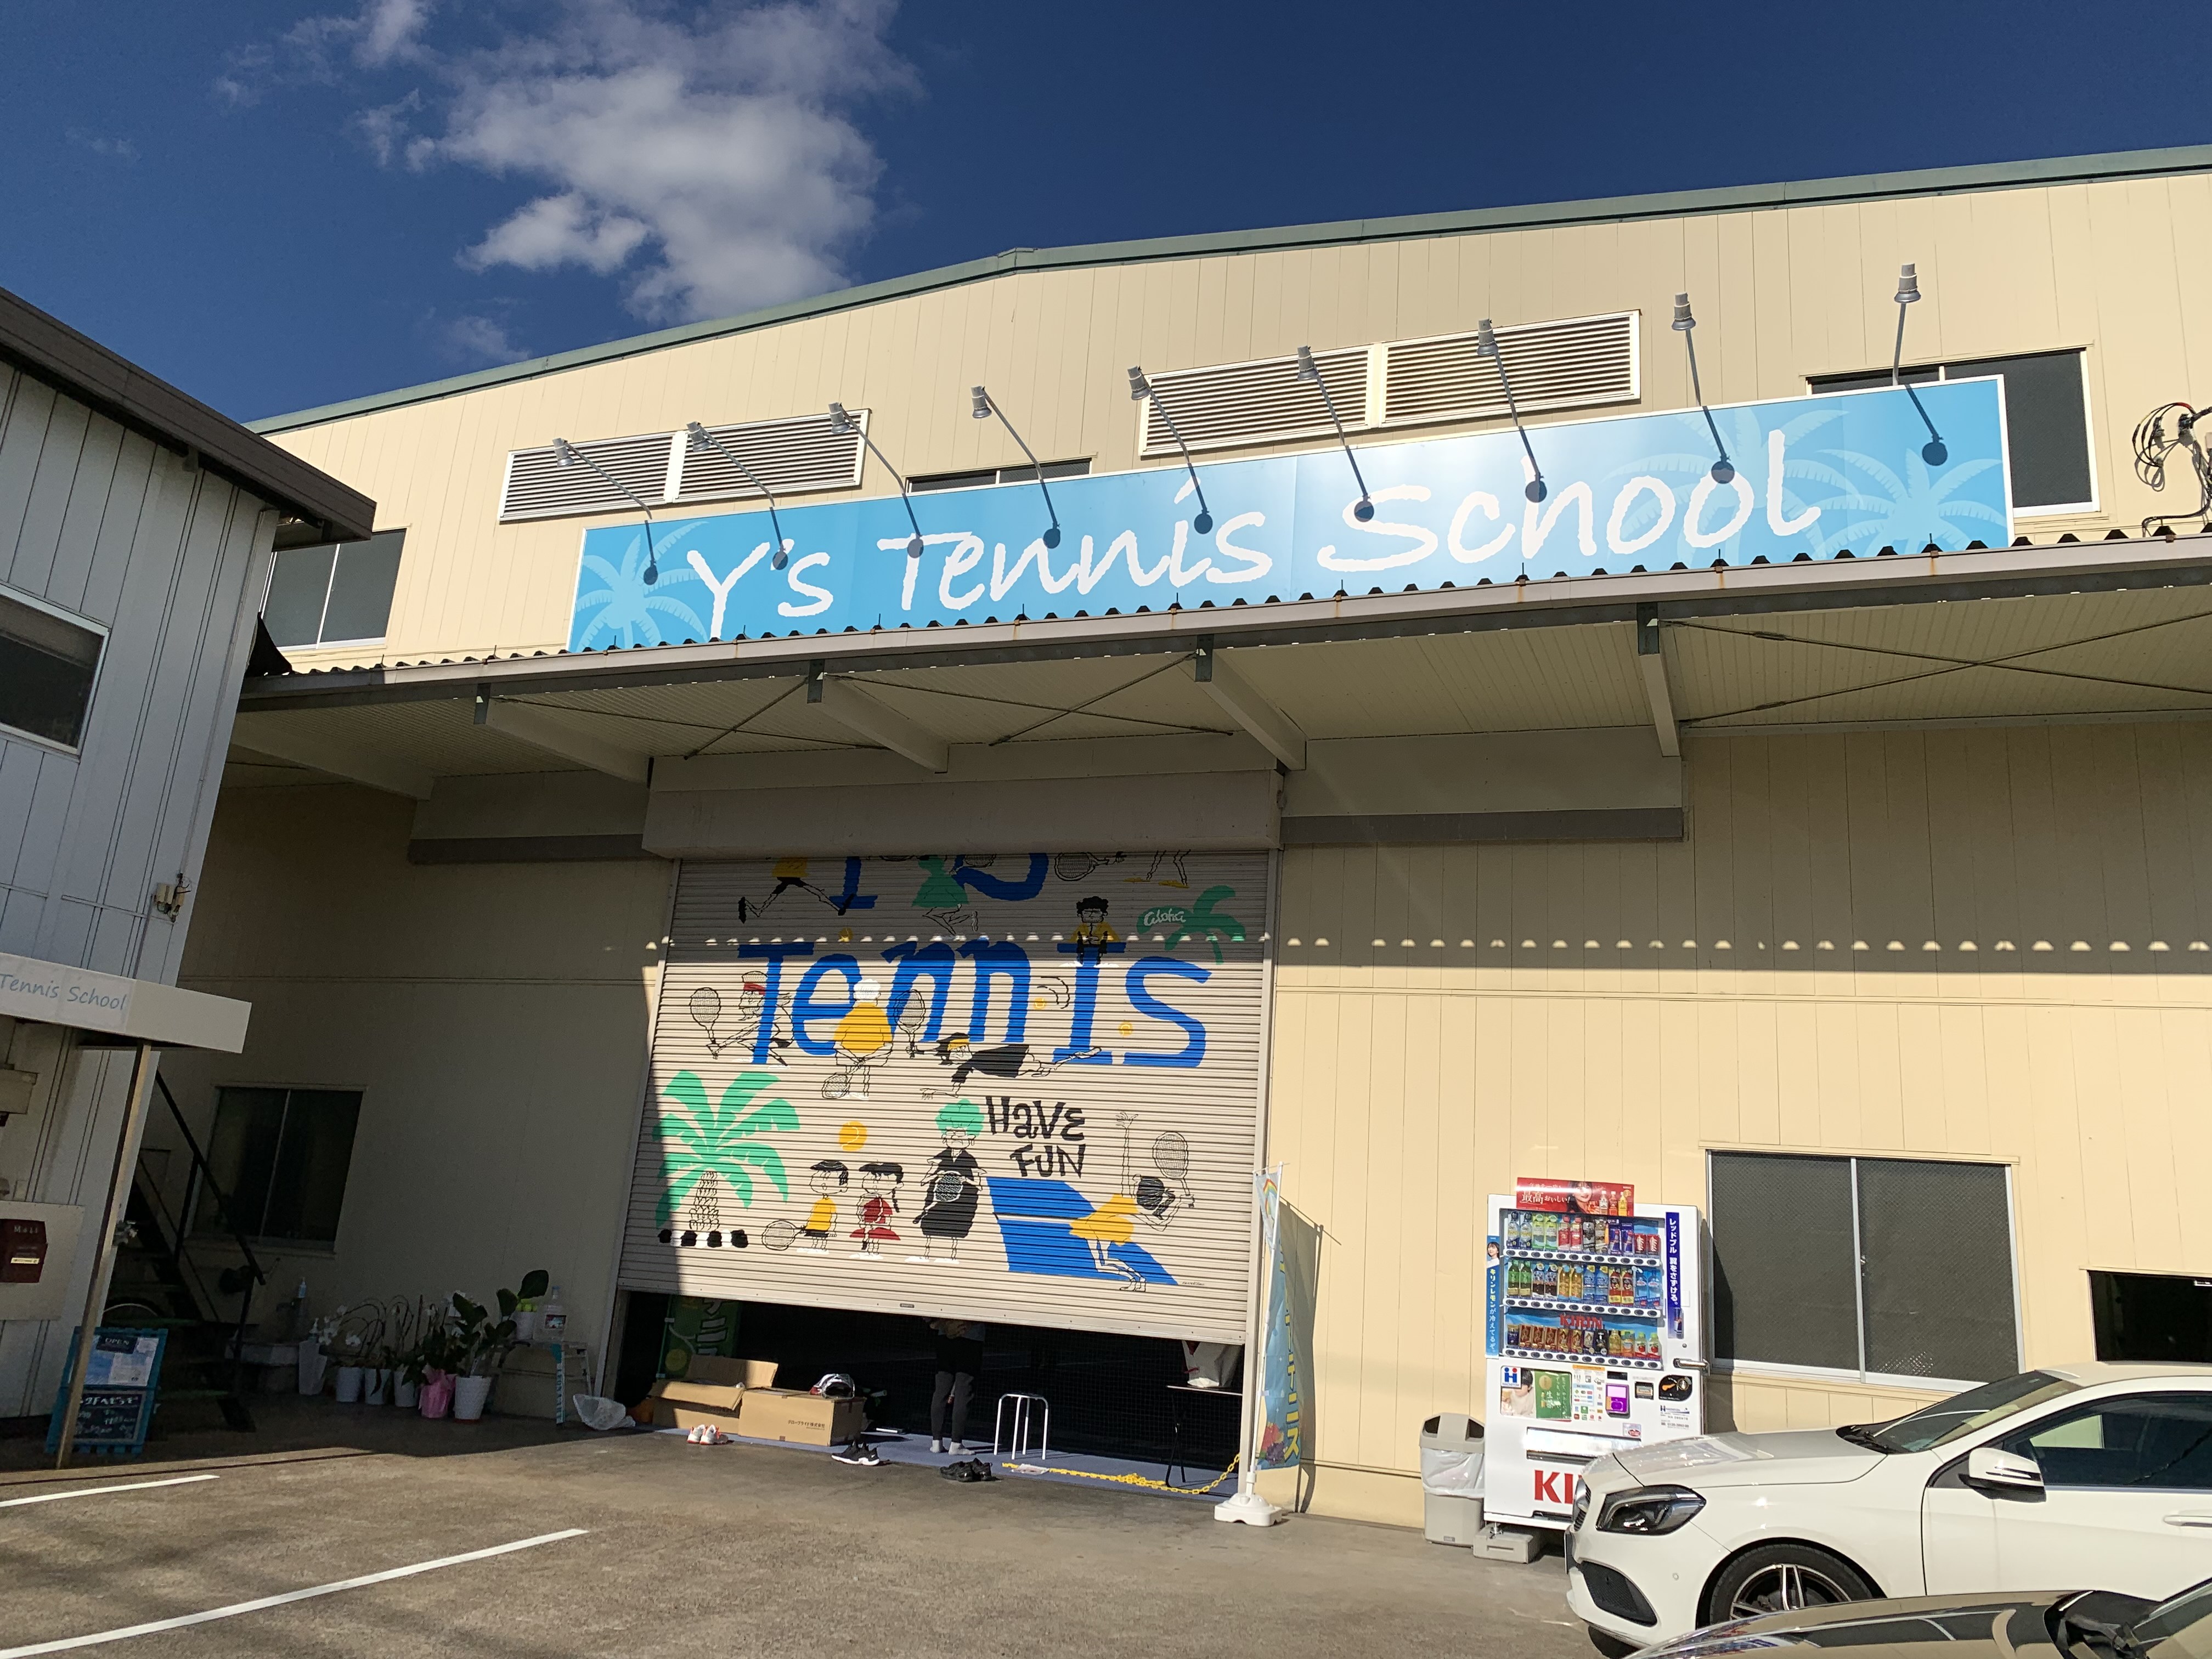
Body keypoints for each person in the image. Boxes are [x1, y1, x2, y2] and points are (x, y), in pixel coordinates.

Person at [926, 1318, 985, 1454]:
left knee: (941, 1389)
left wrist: (944, 1325)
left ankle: (936, 1442)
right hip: (972, 1338)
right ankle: (956, 1443)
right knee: (964, 1391)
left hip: (945, 1336)